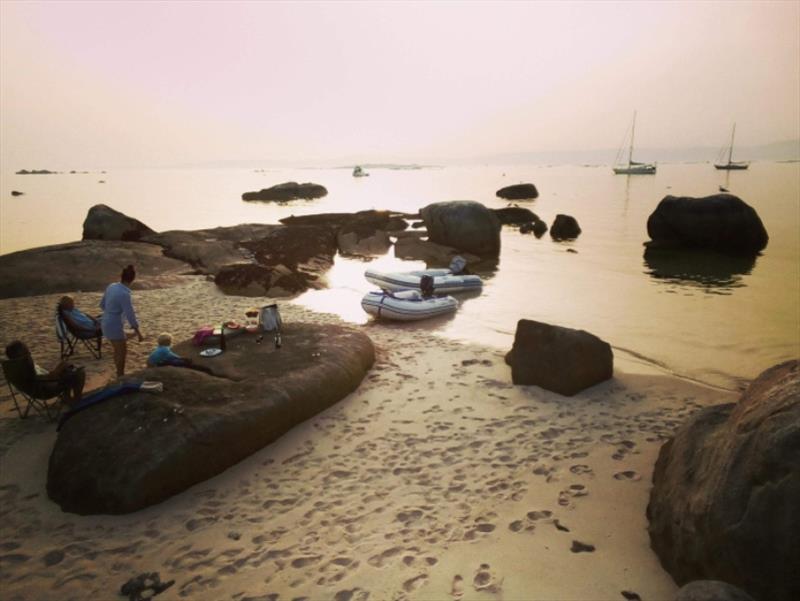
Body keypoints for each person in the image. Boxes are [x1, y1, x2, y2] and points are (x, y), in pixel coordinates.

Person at [5, 340, 85, 405]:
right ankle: (76, 401)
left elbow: (38, 377)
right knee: (79, 372)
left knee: (67, 369)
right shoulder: (26, 363)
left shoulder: (14, 367)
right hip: (46, 389)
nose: (29, 353)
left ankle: (66, 398)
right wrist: (59, 368)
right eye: (27, 351)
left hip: (37, 389)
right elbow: (48, 378)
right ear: (21, 353)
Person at [100, 264, 143, 377]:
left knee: (117, 349)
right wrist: (138, 331)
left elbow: (102, 305)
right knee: (122, 352)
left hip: (105, 321)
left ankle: (119, 373)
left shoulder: (111, 286)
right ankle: (120, 375)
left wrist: (111, 312)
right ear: (132, 279)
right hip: (114, 325)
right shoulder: (124, 294)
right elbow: (130, 314)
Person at [147, 333, 212, 374]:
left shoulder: (160, 348)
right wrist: (182, 358)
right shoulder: (165, 349)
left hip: (152, 363)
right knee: (178, 362)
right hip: (156, 365)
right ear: (168, 342)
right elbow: (172, 356)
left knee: (172, 360)